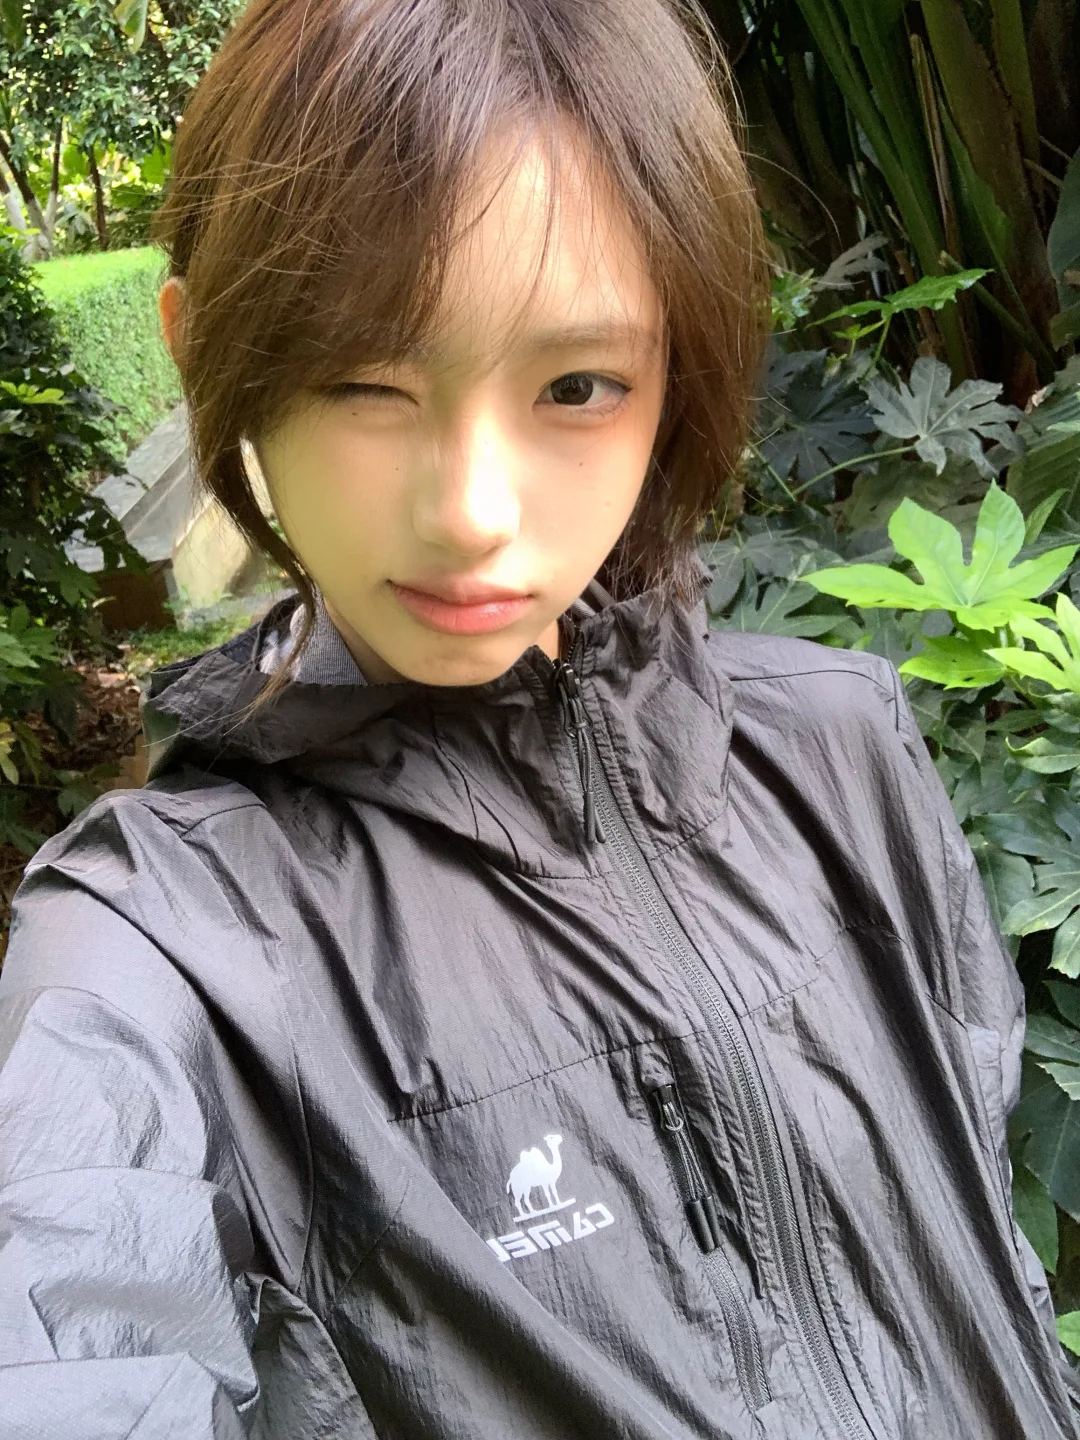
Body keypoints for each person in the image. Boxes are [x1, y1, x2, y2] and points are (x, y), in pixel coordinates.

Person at [0, 1, 1078, 1436]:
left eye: (577, 385)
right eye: (365, 380)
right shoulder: (166, 945)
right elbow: (69, 1321)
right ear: (207, 355)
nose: (471, 513)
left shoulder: (841, 743)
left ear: (677, 368)